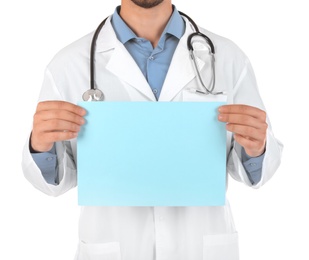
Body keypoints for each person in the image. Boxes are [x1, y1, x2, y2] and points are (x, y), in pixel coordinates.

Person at [22, 0, 283, 259]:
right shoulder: (68, 66)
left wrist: (256, 148)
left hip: (199, 246)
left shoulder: (227, 57)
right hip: (114, 246)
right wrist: (41, 146)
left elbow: (255, 168)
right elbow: (54, 182)